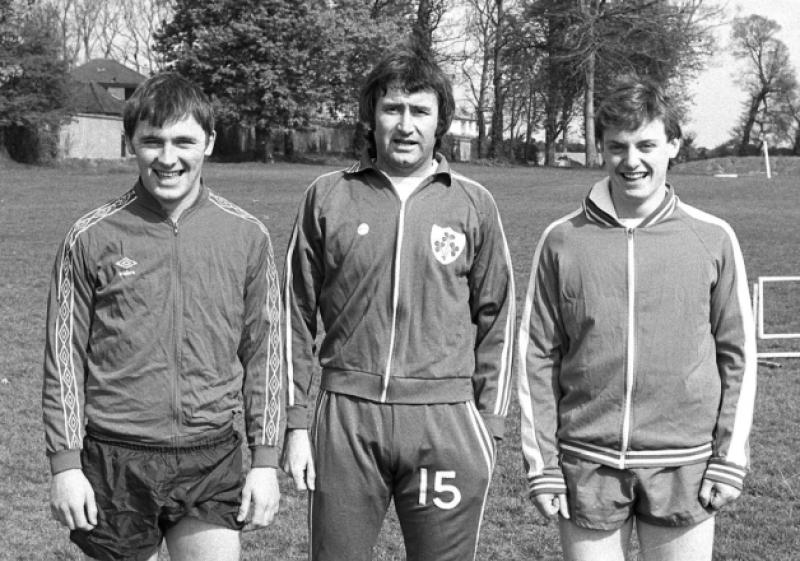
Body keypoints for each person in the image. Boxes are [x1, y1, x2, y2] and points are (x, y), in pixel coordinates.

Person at [281, 46, 515, 561]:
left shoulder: (473, 203)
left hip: (445, 420)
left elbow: (499, 318)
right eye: (392, 109)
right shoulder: (327, 196)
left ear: (441, 121)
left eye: (420, 111)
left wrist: (489, 425)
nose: (405, 125)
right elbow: (293, 316)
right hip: (347, 416)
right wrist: (295, 423)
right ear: (372, 116)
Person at [42, 72, 283, 561]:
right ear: (131, 143)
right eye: (153, 142)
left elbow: (267, 356)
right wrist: (65, 466)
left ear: (209, 142)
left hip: (209, 453)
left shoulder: (247, 236)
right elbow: (62, 359)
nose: (168, 158)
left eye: (183, 141)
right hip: (116, 455)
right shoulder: (90, 236)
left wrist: (265, 462)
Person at [517, 77, 757, 561]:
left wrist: (729, 458)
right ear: (601, 150)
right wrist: (542, 463)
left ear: (673, 145)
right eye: (617, 147)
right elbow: (535, 356)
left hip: (683, 463)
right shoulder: (562, 239)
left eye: (646, 144)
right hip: (589, 462)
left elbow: (739, 354)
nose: (632, 161)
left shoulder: (712, 238)